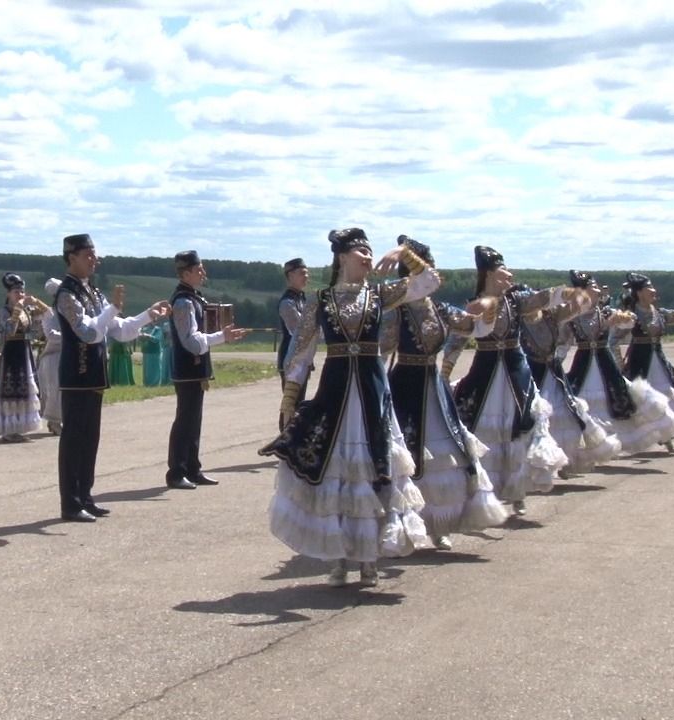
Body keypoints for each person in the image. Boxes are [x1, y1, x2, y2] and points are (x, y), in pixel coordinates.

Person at [261, 228, 440, 587]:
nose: (368, 258)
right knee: (336, 475)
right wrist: (290, 399)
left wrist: (404, 252)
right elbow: (302, 352)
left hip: (372, 394)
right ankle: (339, 557)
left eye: (371, 252)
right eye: (361, 251)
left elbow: (429, 282)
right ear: (341, 257)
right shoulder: (321, 300)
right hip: (337, 393)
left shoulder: (379, 294)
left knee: (375, 471)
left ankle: (369, 558)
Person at [384, 235, 507, 549]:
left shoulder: (439, 308)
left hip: (433, 385)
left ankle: (440, 526)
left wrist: (489, 308)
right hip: (405, 385)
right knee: (408, 456)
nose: (433, 274)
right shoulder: (396, 311)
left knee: (448, 454)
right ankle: (407, 526)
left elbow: (475, 328)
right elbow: (381, 353)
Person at [446, 246, 570, 517]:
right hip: (486, 372)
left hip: (516, 371)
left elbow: (537, 300)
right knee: (482, 428)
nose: (510, 274)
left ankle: (518, 491)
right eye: (504, 270)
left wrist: (562, 293)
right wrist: (445, 371)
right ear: (490, 273)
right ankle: (484, 492)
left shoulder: (515, 301)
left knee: (522, 425)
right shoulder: (475, 304)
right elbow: (456, 339)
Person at [56, 233, 170, 522]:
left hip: (94, 376)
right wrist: (113, 308)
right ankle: (70, 502)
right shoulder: (66, 294)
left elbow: (119, 330)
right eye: (88, 255)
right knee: (74, 439)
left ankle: (85, 495)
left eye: (95, 255)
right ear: (72, 258)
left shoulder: (93, 292)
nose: (94, 260)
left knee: (90, 438)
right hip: (76, 374)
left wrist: (147, 315)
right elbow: (90, 333)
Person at [565, 272, 674, 455]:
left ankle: (661, 438)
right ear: (583, 291)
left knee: (623, 401)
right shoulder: (572, 315)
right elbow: (562, 340)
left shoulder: (605, 312)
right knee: (580, 404)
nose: (598, 290)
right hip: (584, 364)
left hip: (607, 363)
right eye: (593, 287)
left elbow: (627, 322)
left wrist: (624, 319)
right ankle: (587, 448)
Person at [519, 276, 621, 476]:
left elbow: (572, 314)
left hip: (553, 370)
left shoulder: (551, 315)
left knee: (568, 417)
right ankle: (536, 465)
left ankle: (563, 462)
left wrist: (582, 298)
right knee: (536, 419)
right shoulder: (519, 320)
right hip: (531, 372)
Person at [166, 250, 249, 490]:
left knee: (194, 419)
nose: (204, 273)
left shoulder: (193, 298)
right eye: (199, 269)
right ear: (187, 272)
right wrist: (221, 337)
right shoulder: (182, 301)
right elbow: (191, 342)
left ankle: (192, 468)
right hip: (186, 367)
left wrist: (219, 336)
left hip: (196, 368)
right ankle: (177, 471)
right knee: (185, 419)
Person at [618, 273, 674, 454]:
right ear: (639, 293)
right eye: (649, 288)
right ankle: (637, 439)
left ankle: (668, 437)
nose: (654, 291)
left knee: (673, 396)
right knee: (638, 401)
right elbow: (615, 335)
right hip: (640, 362)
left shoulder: (660, 314)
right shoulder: (632, 316)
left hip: (659, 361)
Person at [0, 272, 49, 442]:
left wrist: (36, 302)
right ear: (8, 294)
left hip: (25, 351)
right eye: (16, 292)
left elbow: (48, 314)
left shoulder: (27, 310)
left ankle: (19, 428)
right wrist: (18, 310)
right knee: (11, 389)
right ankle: (8, 429)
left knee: (25, 389)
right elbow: (10, 331)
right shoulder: (5, 311)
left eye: (22, 292)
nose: (20, 295)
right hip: (11, 354)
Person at [275, 257, 312, 421]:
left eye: (307, 273)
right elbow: (298, 330)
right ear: (290, 276)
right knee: (290, 407)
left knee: (298, 407)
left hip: (302, 358)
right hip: (291, 360)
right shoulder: (287, 302)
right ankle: (284, 443)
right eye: (302, 273)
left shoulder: (302, 299)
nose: (306, 276)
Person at [36, 277, 64, 435]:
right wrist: (71, 338)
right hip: (53, 356)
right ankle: (54, 421)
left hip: (67, 355)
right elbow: (52, 335)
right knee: (55, 389)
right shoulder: (49, 313)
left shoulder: (70, 313)